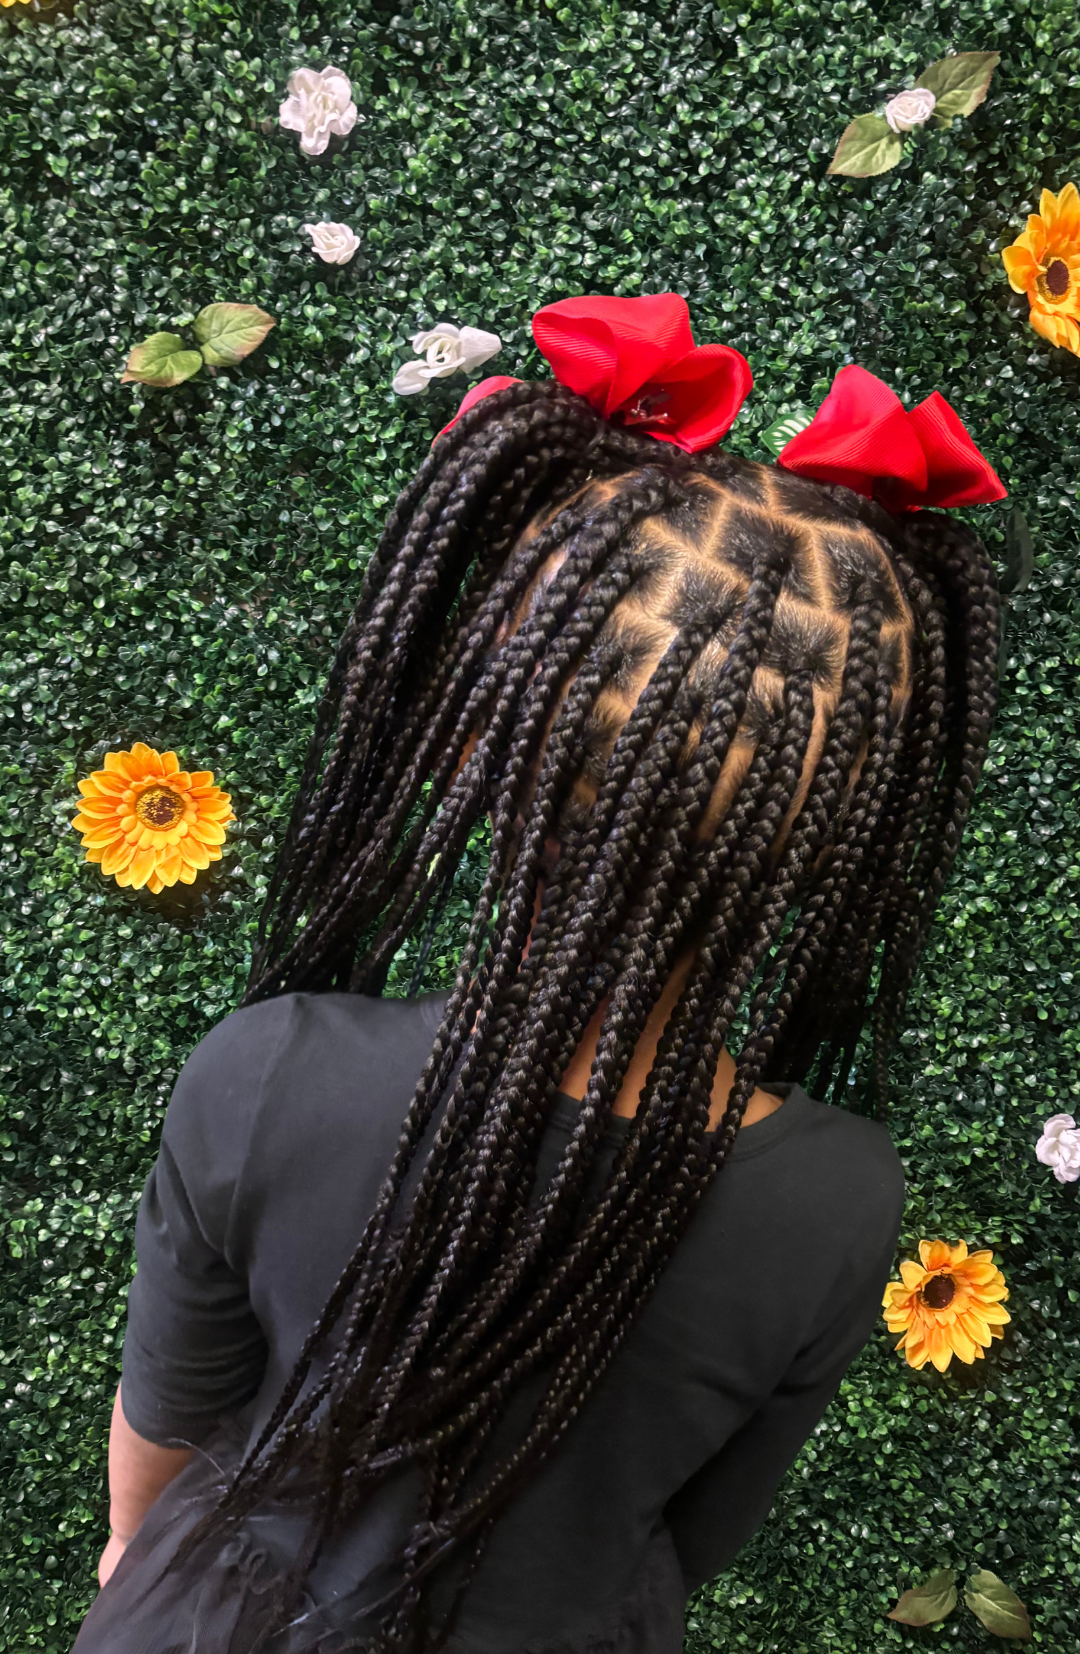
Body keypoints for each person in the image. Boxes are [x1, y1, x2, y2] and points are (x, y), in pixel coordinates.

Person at [73, 295, 1003, 1654]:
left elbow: (164, 1425)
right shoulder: (840, 1201)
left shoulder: (268, 1076)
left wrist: (132, 1564)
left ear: (486, 746)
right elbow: (697, 1530)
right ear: (833, 851)